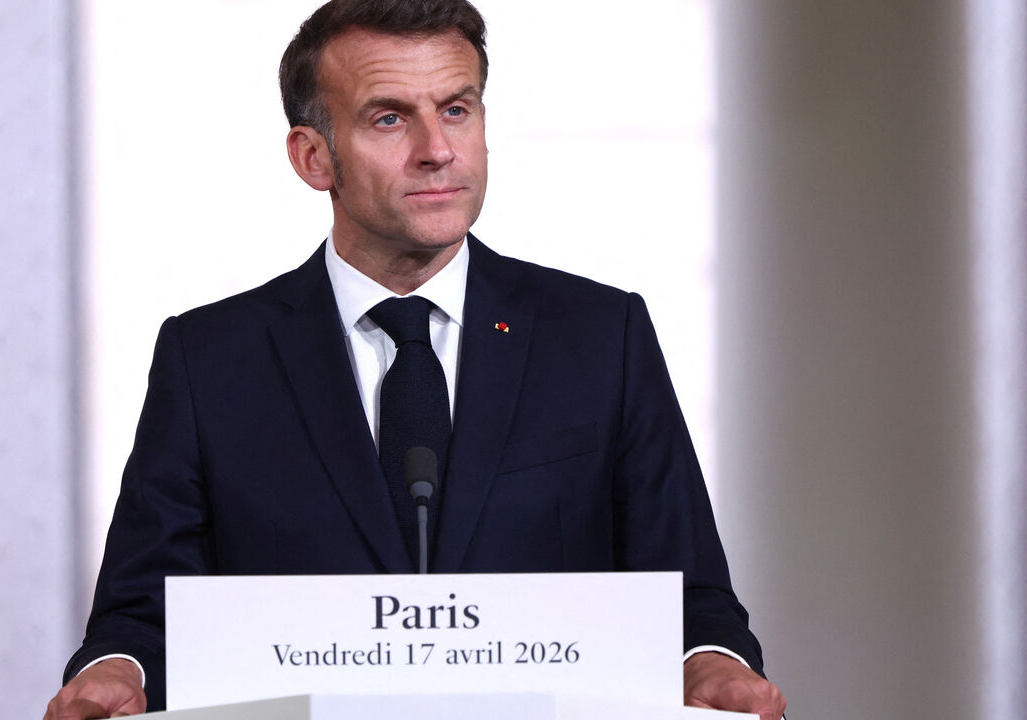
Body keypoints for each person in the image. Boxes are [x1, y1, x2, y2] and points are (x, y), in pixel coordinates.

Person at [45, 1, 787, 719]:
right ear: (312, 157)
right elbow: (143, 611)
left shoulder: (601, 336)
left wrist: (713, 662)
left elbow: (690, 595)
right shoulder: (208, 358)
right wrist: (116, 671)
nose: (437, 149)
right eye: (390, 118)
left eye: (456, 109)